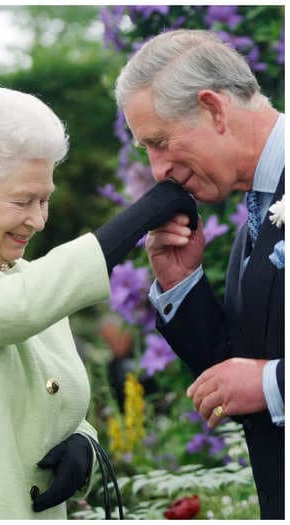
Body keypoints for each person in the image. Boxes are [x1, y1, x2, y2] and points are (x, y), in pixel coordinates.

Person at [0, 86, 199, 519]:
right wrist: (140, 217)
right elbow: (11, 309)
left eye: (44, 199)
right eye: (21, 201)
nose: (38, 219)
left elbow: (50, 398)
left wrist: (83, 441)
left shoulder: (30, 281)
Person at [115, 29, 284, 518]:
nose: (157, 169)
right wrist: (179, 282)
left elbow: (259, 380)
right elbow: (237, 368)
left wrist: (275, 385)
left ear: (213, 108)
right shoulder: (260, 204)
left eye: (160, 142)